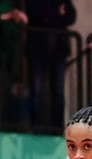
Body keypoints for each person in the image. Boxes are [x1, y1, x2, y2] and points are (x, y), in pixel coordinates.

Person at [25, 0, 76, 128]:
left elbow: (71, 16)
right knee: (36, 91)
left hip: (58, 50)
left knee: (58, 92)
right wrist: (58, 14)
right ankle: (36, 128)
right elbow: (36, 14)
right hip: (37, 49)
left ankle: (57, 130)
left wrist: (50, 17)